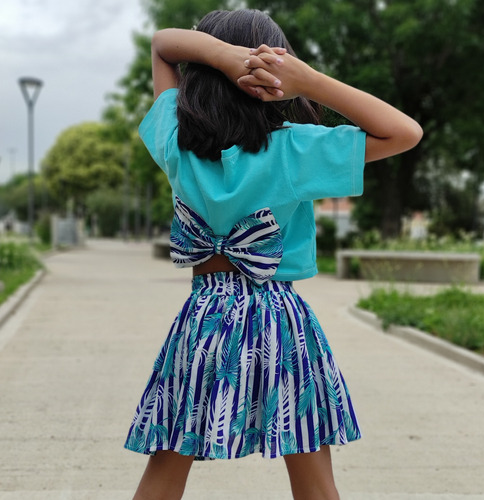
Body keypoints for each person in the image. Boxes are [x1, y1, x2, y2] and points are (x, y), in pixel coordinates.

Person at [124, 9, 423, 500]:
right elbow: (404, 132)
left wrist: (221, 56)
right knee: (312, 474)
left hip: (204, 318)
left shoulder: (175, 143)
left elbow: (162, 43)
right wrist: (309, 80)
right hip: (277, 320)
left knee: (167, 465)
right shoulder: (294, 152)